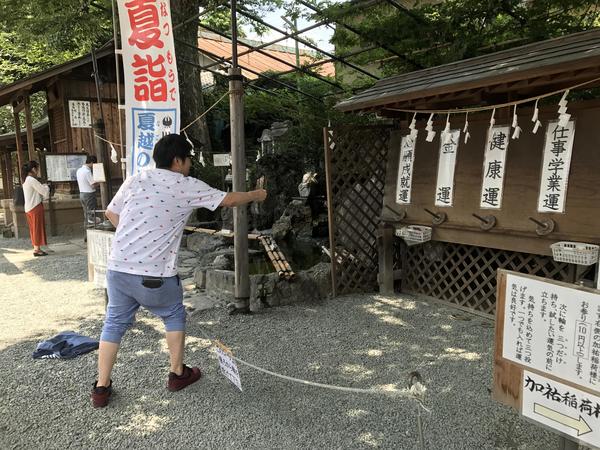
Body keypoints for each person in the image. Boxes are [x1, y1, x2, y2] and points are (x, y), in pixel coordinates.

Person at [92, 134, 267, 408]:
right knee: (174, 314)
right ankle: (177, 374)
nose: (189, 165)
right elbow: (229, 200)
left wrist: (136, 236)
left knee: (113, 323)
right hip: (155, 275)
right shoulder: (185, 185)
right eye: (188, 160)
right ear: (177, 161)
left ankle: (101, 388)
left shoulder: (136, 179)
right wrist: (258, 194)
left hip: (118, 269)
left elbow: (112, 213)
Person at [21, 161, 50, 257]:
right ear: (33, 169)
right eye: (37, 169)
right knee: (37, 228)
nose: (38, 171)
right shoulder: (32, 180)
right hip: (35, 206)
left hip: (29, 207)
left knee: (33, 229)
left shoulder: (26, 179)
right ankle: (37, 250)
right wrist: (46, 186)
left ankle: (36, 247)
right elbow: (44, 192)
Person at [76, 155, 98, 239]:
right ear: (92, 162)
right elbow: (93, 185)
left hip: (82, 193)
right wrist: (100, 182)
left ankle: (86, 235)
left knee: (86, 215)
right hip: (89, 194)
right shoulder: (87, 172)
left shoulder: (79, 170)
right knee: (91, 215)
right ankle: (92, 235)